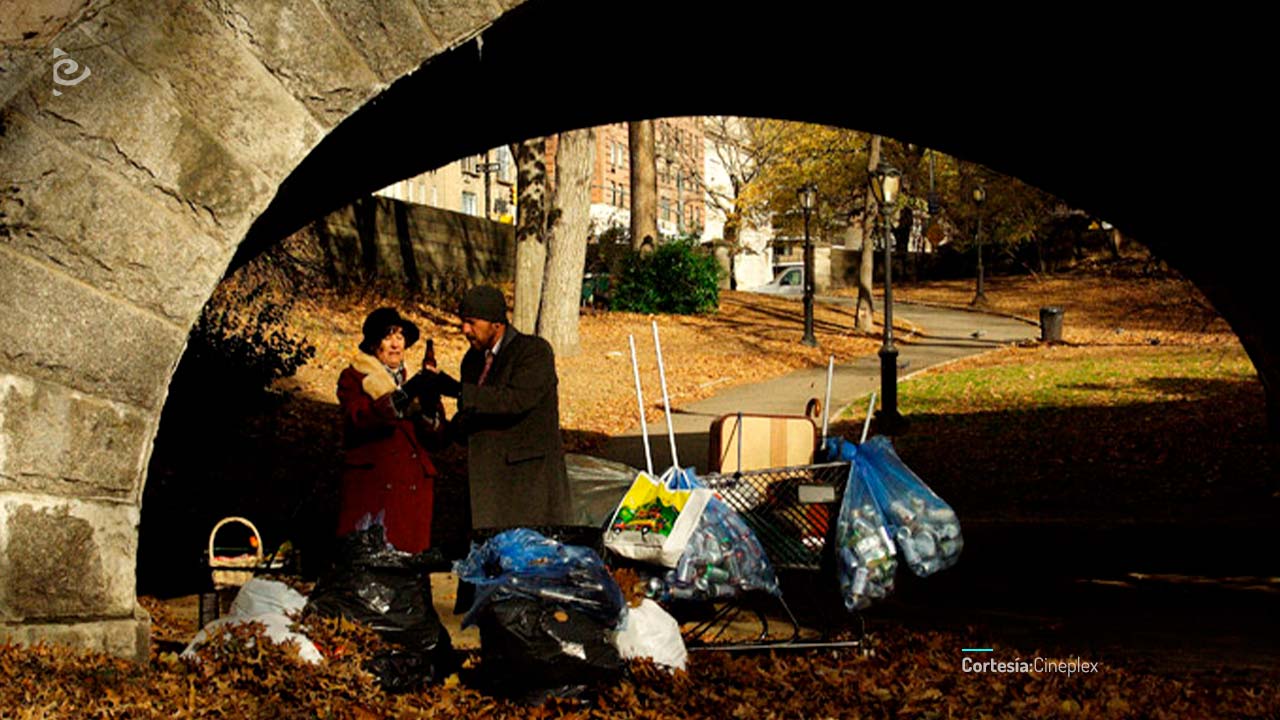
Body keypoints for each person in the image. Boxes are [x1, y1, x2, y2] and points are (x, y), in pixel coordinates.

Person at [425, 286, 573, 531]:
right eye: (463, 322)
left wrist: (458, 390)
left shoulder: (533, 351)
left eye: (471, 322)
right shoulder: (472, 360)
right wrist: (434, 416)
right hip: (487, 487)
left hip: (527, 486)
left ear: (496, 324)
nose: (465, 330)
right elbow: (472, 416)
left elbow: (514, 400)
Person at [335, 307, 445, 553]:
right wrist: (399, 399)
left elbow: (437, 438)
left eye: (400, 336)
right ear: (375, 344)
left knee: (408, 567)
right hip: (374, 491)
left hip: (411, 492)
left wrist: (427, 404)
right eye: (388, 337)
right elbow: (358, 419)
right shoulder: (354, 377)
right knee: (370, 566)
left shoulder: (410, 380)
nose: (396, 344)